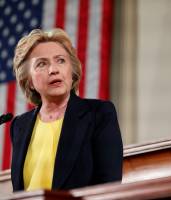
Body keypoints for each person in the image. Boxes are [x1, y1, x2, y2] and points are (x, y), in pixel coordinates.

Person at [10, 28, 123, 192]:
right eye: (42, 64)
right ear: (29, 81)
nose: (53, 69)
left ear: (72, 71)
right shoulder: (19, 126)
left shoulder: (99, 114)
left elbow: (108, 185)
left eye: (60, 60)